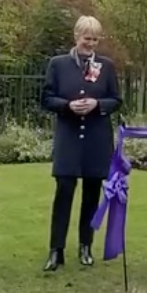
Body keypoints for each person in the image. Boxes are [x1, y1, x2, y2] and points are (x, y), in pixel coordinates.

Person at [40, 15, 123, 272]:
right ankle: (56, 250)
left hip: (96, 140)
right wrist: (67, 106)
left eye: (95, 40)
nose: (91, 44)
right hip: (69, 138)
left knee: (91, 194)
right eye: (87, 39)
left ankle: (85, 246)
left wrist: (98, 105)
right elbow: (46, 98)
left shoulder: (106, 66)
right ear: (76, 37)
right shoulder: (58, 64)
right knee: (64, 192)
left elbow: (116, 100)